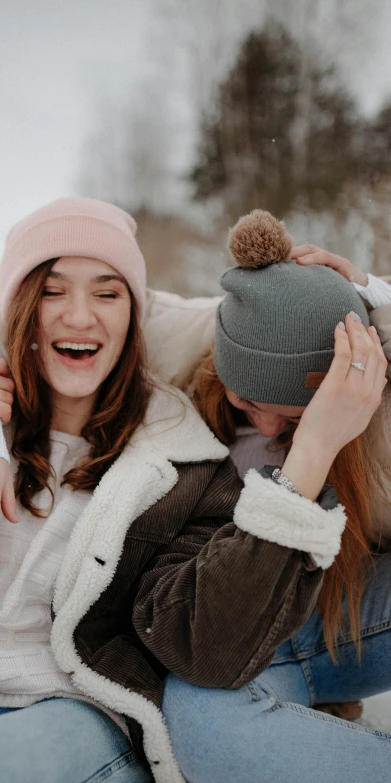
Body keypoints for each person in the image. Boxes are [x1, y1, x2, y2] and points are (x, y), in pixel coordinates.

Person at [0, 202, 386, 783]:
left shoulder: (186, 464)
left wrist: (315, 440)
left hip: (65, 716)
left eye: (108, 294)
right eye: (51, 291)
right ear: (20, 311)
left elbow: (202, 647)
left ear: (135, 314)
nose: (79, 315)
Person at [162, 211, 391, 782]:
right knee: (201, 720)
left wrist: (379, 301)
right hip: (263, 631)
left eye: (292, 416)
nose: (265, 429)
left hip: (364, 607)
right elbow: (11, 321)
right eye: (244, 402)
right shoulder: (191, 344)